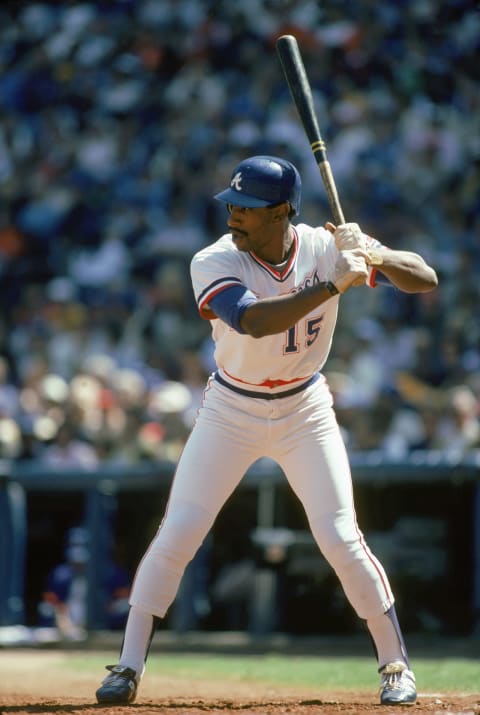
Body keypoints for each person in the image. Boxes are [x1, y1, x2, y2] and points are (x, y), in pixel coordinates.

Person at [95, 155, 438, 706]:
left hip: (305, 407)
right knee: (179, 529)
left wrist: (374, 254)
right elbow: (253, 322)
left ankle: (395, 665)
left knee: (340, 536)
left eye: (249, 209)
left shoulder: (325, 246)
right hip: (232, 406)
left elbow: (424, 278)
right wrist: (333, 284)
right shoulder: (213, 259)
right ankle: (128, 665)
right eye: (232, 205)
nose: (234, 216)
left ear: (282, 212)